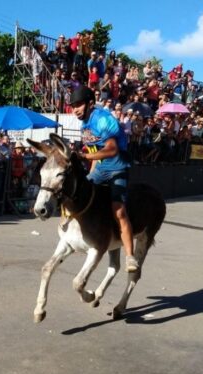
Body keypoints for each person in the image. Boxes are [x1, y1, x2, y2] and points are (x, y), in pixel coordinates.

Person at [70, 87, 139, 273]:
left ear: (90, 103)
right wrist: (89, 177)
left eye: (78, 105)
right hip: (100, 168)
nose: (75, 109)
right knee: (80, 192)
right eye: (73, 106)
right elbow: (95, 153)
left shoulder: (103, 119)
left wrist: (84, 158)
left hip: (118, 167)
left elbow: (111, 149)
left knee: (119, 211)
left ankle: (130, 256)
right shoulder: (84, 124)